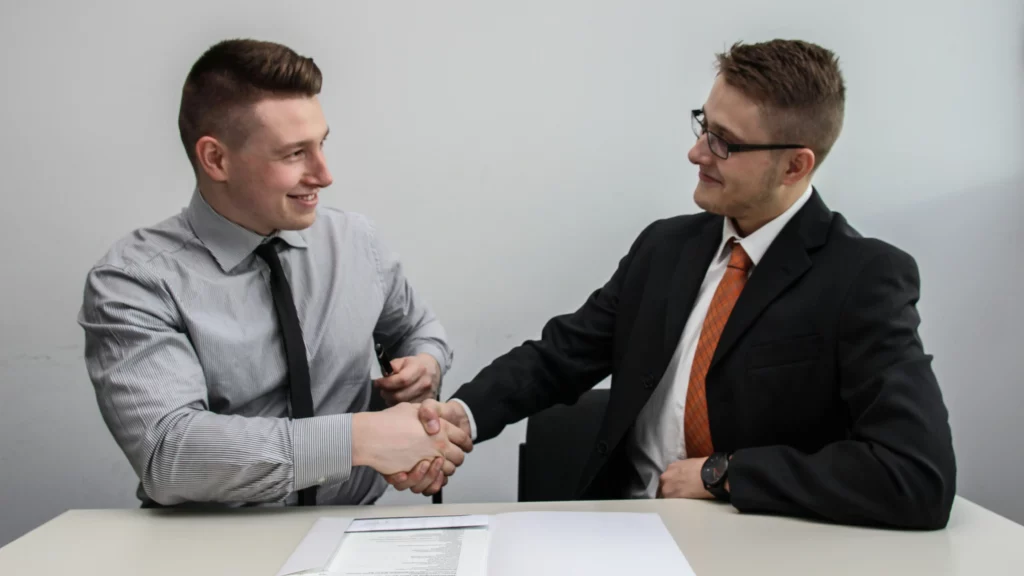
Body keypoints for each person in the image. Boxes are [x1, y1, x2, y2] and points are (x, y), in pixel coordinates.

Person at [391, 39, 957, 529]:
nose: (696, 152)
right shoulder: (666, 248)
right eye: (703, 126)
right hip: (622, 532)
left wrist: (723, 474)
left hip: (759, 546)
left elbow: (916, 475)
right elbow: (558, 358)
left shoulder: (863, 278)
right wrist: (458, 417)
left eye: (724, 143)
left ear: (795, 166)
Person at [78, 38, 470, 508]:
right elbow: (170, 455)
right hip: (211, 548)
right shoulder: (133, 281)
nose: (324, 175)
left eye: (322, 144)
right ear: (216, 159)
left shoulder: (357, 242)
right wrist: (356, 439)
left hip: (353, 530)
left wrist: (423, 366)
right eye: (294, 154)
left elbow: (418, 330)